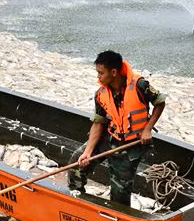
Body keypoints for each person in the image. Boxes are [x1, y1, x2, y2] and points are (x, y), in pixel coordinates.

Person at [68, 50, 166, 207]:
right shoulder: (100, 94)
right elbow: (98, 122)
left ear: (114, 72)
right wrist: (87, 153)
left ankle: (118, 217)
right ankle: (78, 200)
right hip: (111, 137)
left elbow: (160, 102)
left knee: (120, 192)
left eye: (101, 73)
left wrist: (148, 128)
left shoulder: (140, 85)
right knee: (76, 162)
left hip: (132, 145)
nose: (98, 77)